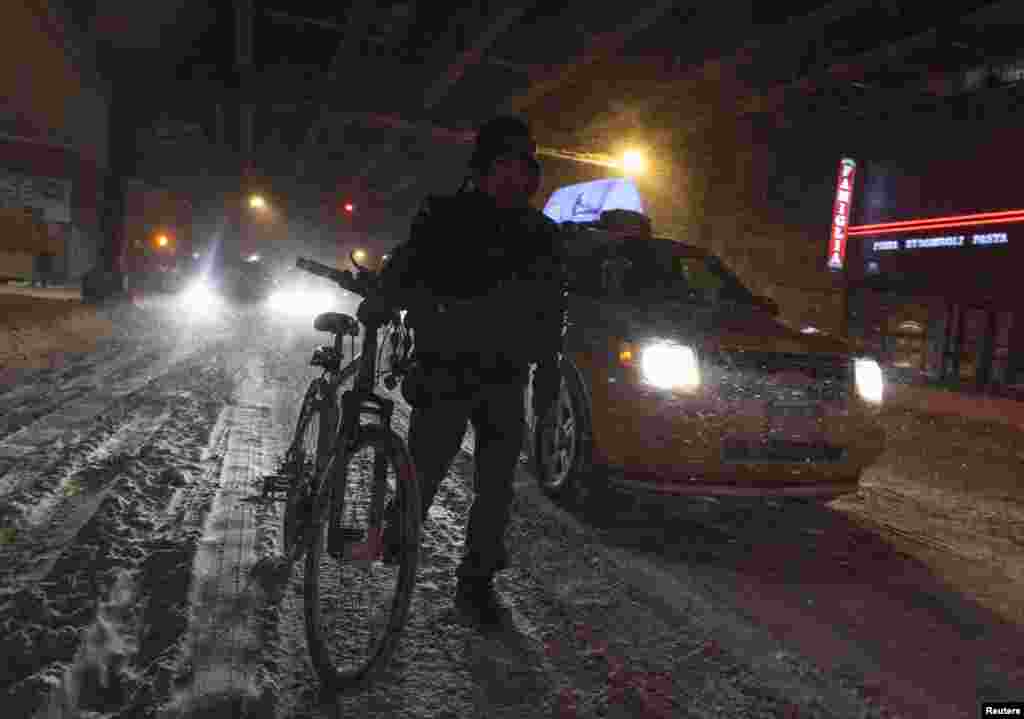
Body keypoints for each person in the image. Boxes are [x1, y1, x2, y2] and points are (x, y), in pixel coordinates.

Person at [359, 115, 567, 628]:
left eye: (524, 168)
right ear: (482, 169)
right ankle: (400, 528)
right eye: (505, 166)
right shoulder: (445, 215)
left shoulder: (541, 233)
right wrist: (384, 300)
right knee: (426, 467)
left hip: (504, 377)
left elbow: (547, 310)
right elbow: (408, 264)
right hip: (446, 368)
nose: (515, 178)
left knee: (496, 487)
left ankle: (475, 586)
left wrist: (546, 378)